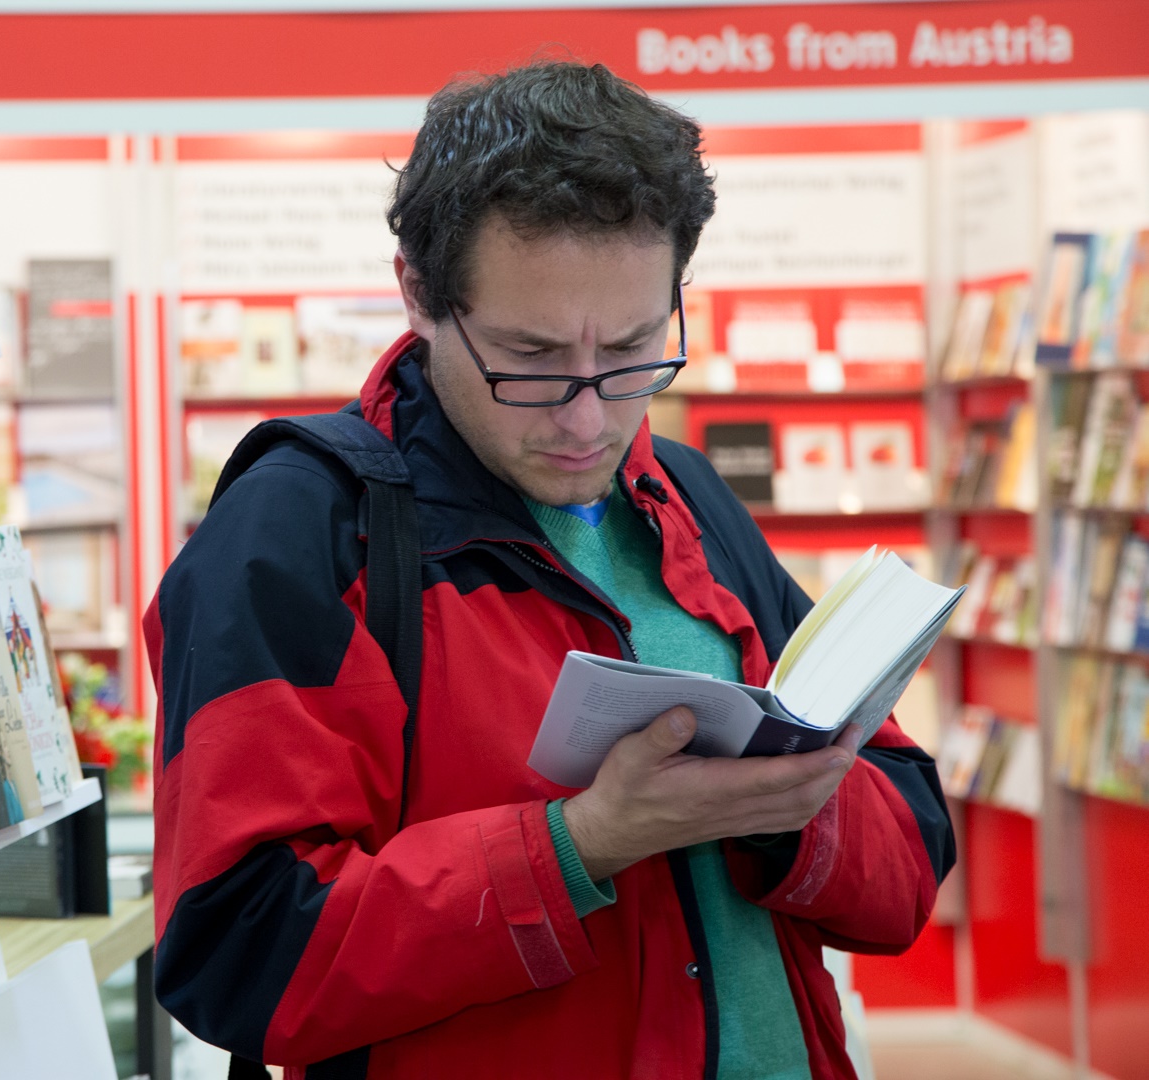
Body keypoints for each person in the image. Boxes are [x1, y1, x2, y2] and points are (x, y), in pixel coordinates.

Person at [145, 61, 954, 1080]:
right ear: (416, 292)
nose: (586, 418)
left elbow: (912, 859)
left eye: (632, 348)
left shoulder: (688, 497)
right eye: (528, 357)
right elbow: (238, 953)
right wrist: (580, 847)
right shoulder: (301, 529)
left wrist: (795, 817)